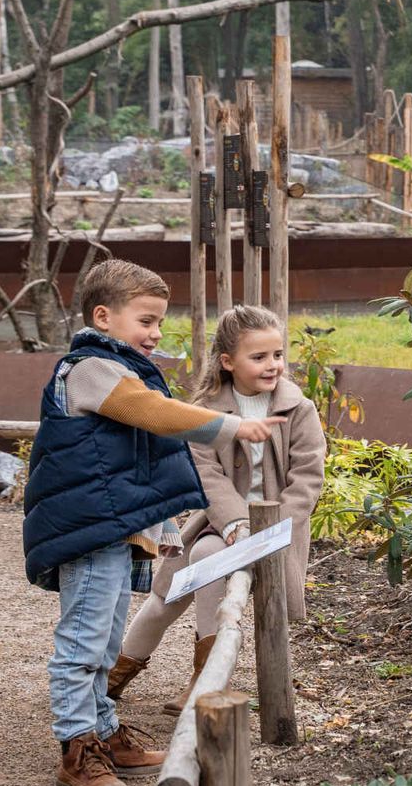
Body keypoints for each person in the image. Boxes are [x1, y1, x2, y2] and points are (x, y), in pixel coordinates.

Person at [23, 262, 283, 786]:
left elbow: (135, 459)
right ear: (103, 316)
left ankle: (104, 728)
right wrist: (232, 424)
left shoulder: (121, 364)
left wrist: (159, 528)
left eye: (159, 322)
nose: (156, 333)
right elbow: (154, 417)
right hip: (89, 529)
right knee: (84, 642)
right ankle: (77, 749)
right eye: (146, 320)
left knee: (105, 636)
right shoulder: (91, 368)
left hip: (111, 527)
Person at [106, 305, 325, 717]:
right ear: (228, 362)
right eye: (258, 357)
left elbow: (308, 479)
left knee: (207, 562)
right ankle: (118, 672)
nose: (272, 365)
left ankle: (206, 680)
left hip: (277, 531)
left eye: (278, 355)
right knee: (165, 598)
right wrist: (236, 522)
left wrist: (269, 531)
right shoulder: (207, 410)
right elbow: (206, 474)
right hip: (219, 523)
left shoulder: (300, 409)